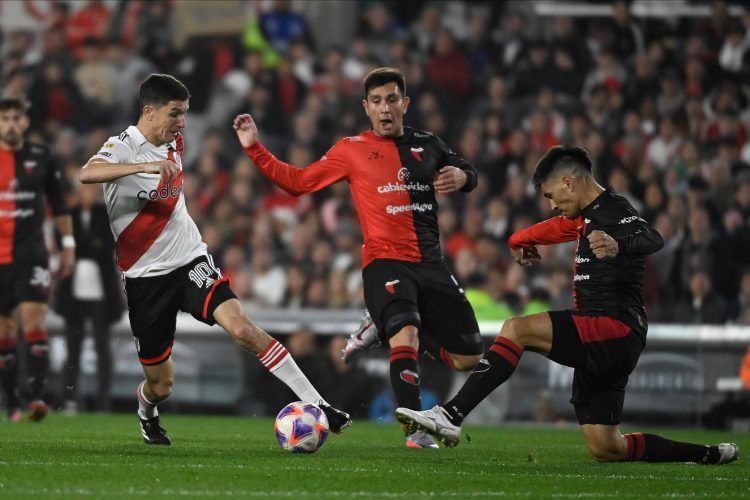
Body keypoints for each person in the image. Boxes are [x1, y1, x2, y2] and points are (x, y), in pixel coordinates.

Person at [395, 144, 740, 465]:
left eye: (551, 195)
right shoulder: (586, 217)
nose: (551, 204)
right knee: (607, 447)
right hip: (604, 337)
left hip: (614, 328)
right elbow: (557, 227)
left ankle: (451, 415)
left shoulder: (614, 209)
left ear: (568, 183)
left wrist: (618, 246)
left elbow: (653, 237)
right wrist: (518, 239)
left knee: (517, 329)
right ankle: (708, 454)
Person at [79, 73, 350, 445]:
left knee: (244, 330)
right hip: (145, 280)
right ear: (149, 112)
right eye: (175, 113)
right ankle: (147, 413)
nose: (182, 122)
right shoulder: (123, 146)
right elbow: (88, 173)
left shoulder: (175, 141)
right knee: (161, 385)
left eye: (185, 113)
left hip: (190, 261)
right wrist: (142, 167)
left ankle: (320, 404)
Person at [234, 67, 484, 449]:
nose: (385, 108)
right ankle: (416, 433)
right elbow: (298, 183)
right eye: (377, 101)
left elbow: (468, 170)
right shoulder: (350, 149)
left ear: (405, 103)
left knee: (469, 357)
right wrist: (255, 148)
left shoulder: (428, 144)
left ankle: (379, 327)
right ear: (366, 107)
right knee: (406, 333)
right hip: (385, 262)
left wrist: (464, 179)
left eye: (392, 99)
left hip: (432, 264)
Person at [0, 96, 75, 422]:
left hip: (31, 253)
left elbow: (59, 205)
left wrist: (68, 245)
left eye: (16, 118)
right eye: (5, 118)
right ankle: (11, 401)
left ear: (25, 121)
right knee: (5, 332)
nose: (11, 124)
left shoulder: (42, 156)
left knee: (33, 320)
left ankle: (37, 396)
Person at [54, 182, 124, 413]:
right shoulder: (70, 216)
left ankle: (103, 400)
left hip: (100, 294)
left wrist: (80, 248)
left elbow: (106, 246)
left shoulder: (105, 216)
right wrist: (90, 246)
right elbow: (63, 243)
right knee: (72, 347)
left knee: (102, 349)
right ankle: (69, 398)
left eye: (93, 190)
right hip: (73, 294)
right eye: (86, 189)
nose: (90, 194)